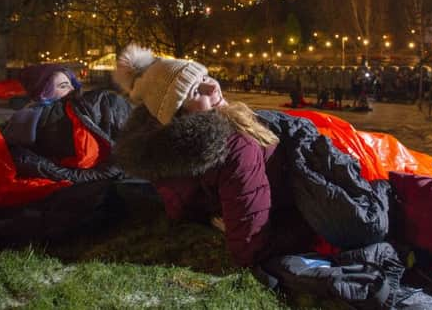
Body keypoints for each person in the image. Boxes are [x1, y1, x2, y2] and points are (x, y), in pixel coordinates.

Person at [113, 45, 392, 269]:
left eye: (205, 77)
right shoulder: (235, 144)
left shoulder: (165, 151)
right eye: (195, 90)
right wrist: (304, 228)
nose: (213, 88)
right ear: (179, 116)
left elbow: (183, 208)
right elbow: (250, 248)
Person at [2, 63, 132, 183]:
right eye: (63, 86)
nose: (71, 89)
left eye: (71, 84)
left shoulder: (97, 102)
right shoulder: (31, 119)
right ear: (44, 93)